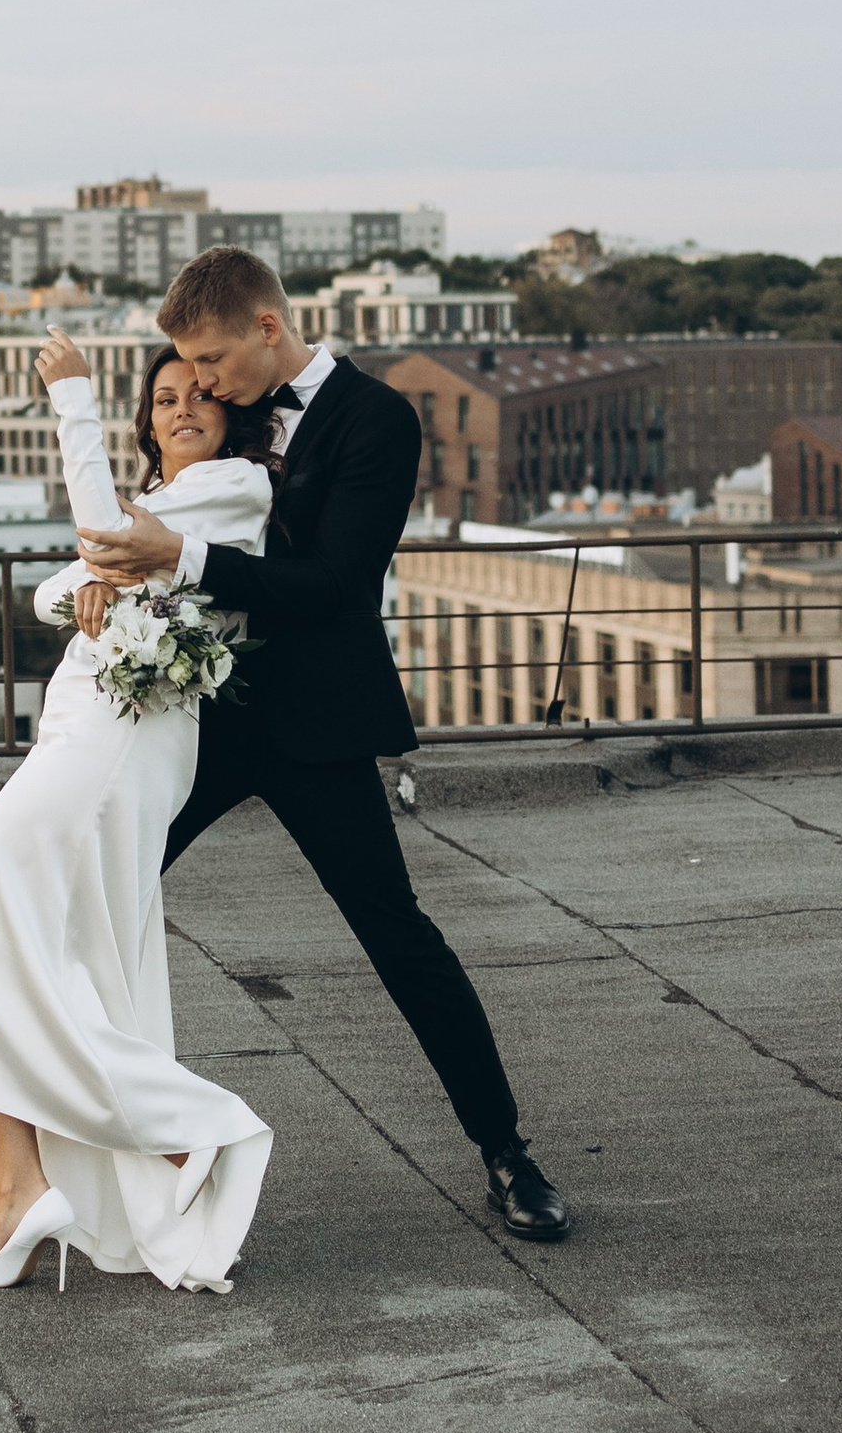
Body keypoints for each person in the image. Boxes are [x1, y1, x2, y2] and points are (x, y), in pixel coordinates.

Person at [75, 246, 571, 1240]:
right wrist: (113, 577)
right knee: (87, 905)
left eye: (210, 359)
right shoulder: (230, 409)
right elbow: (157, 508)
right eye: (188, 367)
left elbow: (338, 583)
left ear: (268, 327)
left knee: (398, 938)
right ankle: (81, 1148)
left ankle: (506, 1153)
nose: (197, 384)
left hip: (314, 723)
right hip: (195, 716)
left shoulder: (375, 418)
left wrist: (180, 553)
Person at [0, 336, 280, 1293]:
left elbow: (97, 543)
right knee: (10, 958)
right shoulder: (164, 508)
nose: (182, 408)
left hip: (119, 746)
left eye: (200, 396)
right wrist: (97, 576)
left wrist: (69, 399)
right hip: (82, 735)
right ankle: (21, 1190)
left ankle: (189, 1130)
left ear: (230, 416)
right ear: (149, 423)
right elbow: (63, 587)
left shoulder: (236, 489)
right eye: (165, 399)